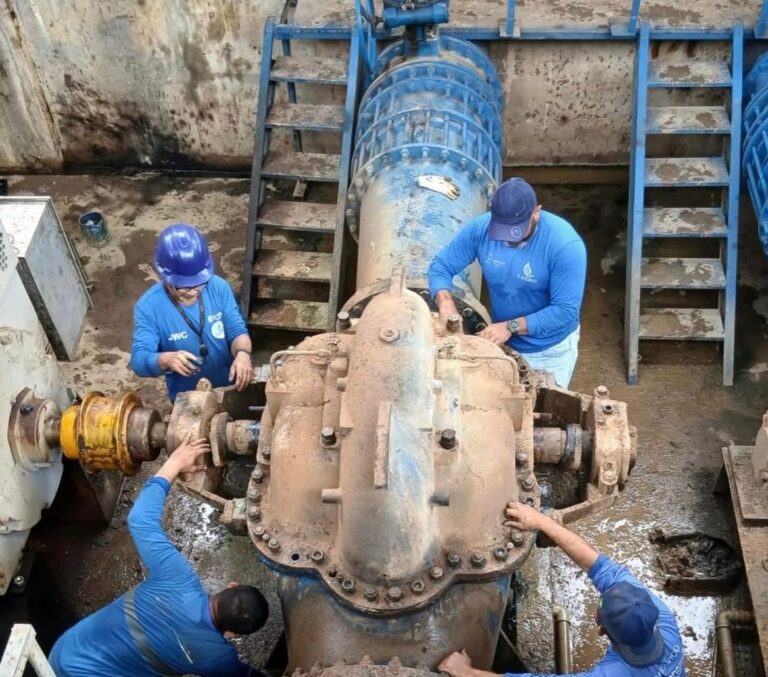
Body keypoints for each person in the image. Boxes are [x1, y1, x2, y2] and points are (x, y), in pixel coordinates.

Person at [49, 435, 269, 676]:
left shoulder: (177, 578)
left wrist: (174, 462)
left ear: (230, 586)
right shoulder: (217, 658)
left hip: (65, 651)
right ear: (233, 634)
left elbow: (140, 520)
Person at [438, 502, 685, 677]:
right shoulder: (664, 622)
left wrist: (464, 672)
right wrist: (541, 521)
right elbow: (595, 563)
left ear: (601, 629)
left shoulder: (615, 673)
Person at [428, 178, 587, 389]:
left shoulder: (564, 246)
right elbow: (441, 266)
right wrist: (445, 302)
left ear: (536, 213)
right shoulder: (481, 228)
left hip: (547, 351)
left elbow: (565, 311)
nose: (507, 240)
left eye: (516, 231)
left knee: (540, 412)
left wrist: (510, 326)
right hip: (502, 343)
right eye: (502, 231)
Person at [131, 223, 254, 402]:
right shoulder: (148, 307)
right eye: (183, 288)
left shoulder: (218, 287)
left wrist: (243, 354)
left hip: (229, 387)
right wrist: (165, 359)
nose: (193, 292)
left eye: (199, 284)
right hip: (188, 398)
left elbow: (236, 330)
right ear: (165, 277)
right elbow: (139, 360)